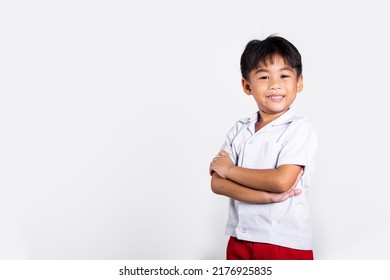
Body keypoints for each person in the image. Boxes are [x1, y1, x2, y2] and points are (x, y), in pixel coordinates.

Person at [209, 35, 318, 260]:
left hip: (283, 241)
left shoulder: (299, 128)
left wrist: (229, 170)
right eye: (264, 77)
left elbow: (281, 181)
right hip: (240, 238)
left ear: (299, 82)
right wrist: (266, 197)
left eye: (284, 75)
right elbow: (217, 184)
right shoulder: (240, 129)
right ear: (246, 85)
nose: (275, 84)